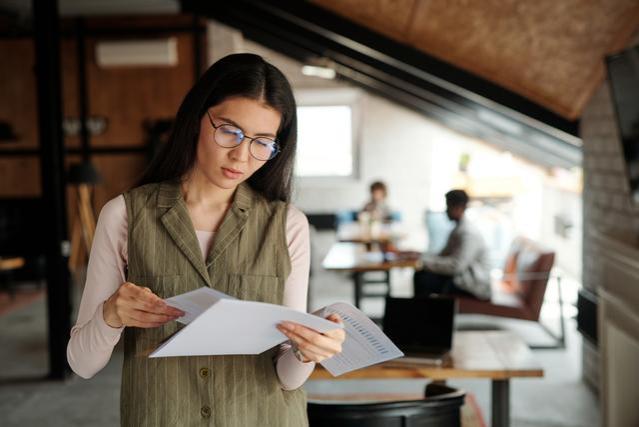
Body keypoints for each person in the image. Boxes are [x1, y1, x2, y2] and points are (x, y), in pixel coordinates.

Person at [67, 53, 345, 427]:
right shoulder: (125, 215)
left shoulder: (287, 224)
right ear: (197, 118)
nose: (242, 156)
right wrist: (111, 314)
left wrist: (307, 351)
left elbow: (286, 376)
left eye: (262, 142)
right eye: (229, 131)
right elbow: (82, 364)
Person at [413, 189, 492, 300]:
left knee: (424, 279)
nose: (446, 211)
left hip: (473, 285)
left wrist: (424, 262)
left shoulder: (468, 233)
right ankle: (422, 313)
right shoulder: (458, 229)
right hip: (461, 278)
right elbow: (442, 255)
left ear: (458, 207)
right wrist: (419, 256)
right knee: (422, 275)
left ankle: (422, 314)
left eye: (448, 206)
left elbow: (456, 266)